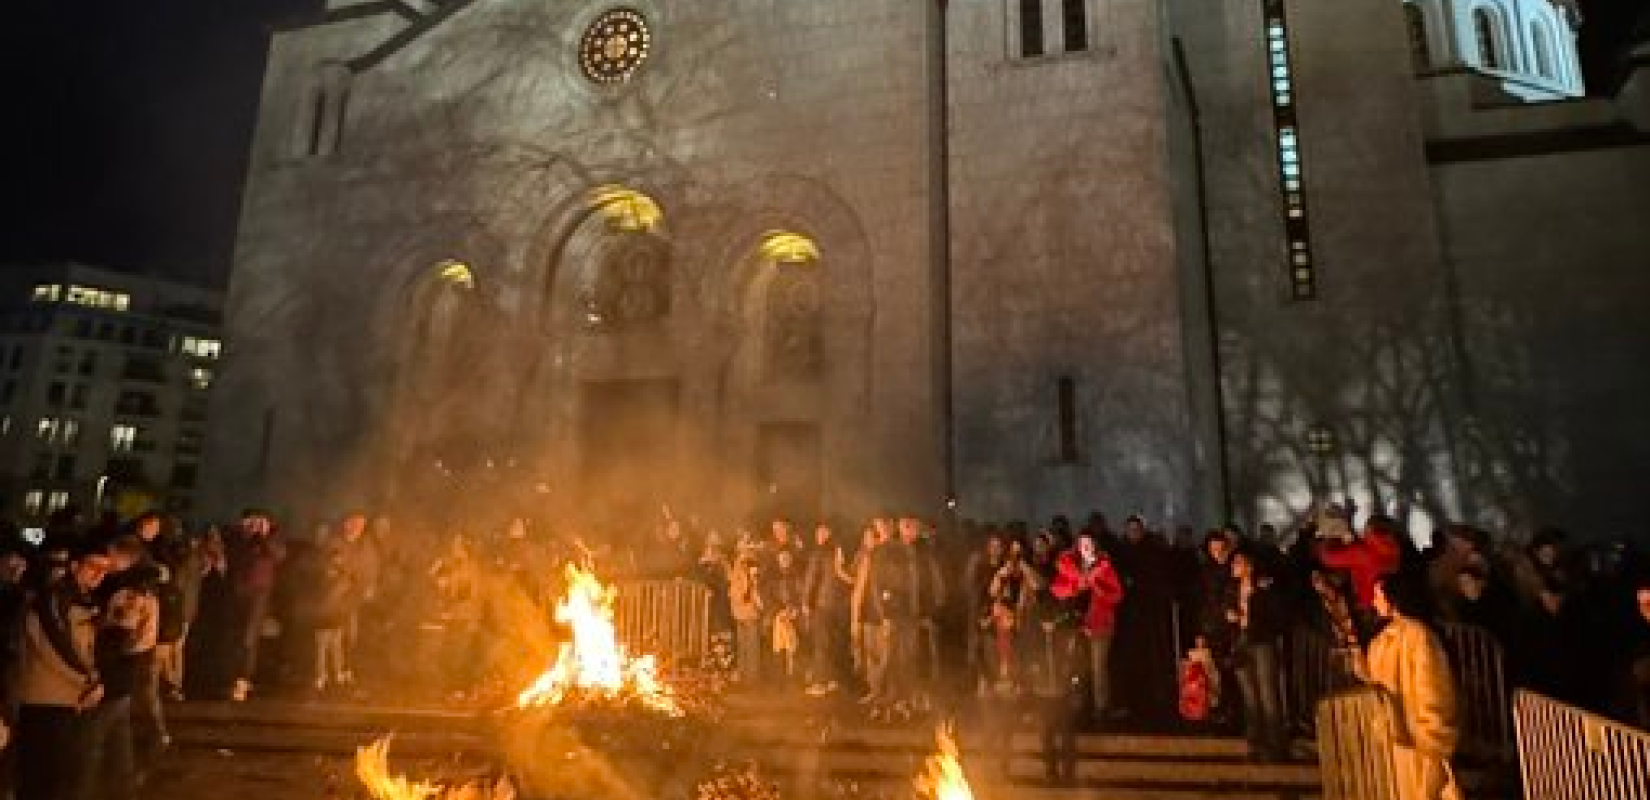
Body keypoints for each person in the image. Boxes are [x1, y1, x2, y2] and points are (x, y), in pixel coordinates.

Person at [16, 541, 109, 800]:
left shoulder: (82, 601)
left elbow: (84, 649)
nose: (100, 574)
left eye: (105, 569)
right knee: (41, 778)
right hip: (46, 699)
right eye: (93, 567)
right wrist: (87, 683)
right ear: (74, 565)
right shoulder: (52, 600)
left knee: (58, 777)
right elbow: (51, 648)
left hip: (68, 701)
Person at [1360, 572, 1462, 800]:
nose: (1374, 601)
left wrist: (1434, 743)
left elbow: (1433, 691)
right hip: (1394, 742)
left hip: (1418, 745)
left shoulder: (1419, 637)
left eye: (1378, 595)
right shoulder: (1381, 641)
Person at [82, 534, 161, 799]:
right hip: (132, 666)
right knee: (118, 734)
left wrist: (97, 630)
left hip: (118, 668)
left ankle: (85, 789)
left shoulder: (128, 591)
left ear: (125, 557)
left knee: (93, 736)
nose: (107, 561)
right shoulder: (144, 585)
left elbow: (120, 634)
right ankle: (124, 788)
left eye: (111, 555)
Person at [1051, 532, 1125, 722]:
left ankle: (1101, 707)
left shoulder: (1104, 568)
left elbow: (1117, 594)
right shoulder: (1070, 567)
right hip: (1075, 624)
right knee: (1076, 666)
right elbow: (1057, 589)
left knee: (1098, 667)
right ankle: (1076, 704)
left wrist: (1098, 589)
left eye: (1089, 543)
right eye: (1082, 543)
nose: (1085, 546)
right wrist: (1075, 587)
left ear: (1095, 546)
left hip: (1100, 624)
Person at [1226, 549, 1290, 761]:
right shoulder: (1231, 589)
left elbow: (1277, 615)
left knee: (1267, 693)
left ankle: (1275, 744)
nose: (1233, 566)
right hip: (1241, 641)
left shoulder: (1264, 588)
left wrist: (1257, 621)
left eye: (1238, 562)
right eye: (1233, 562)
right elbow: (1222, 607)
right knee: (1249, 695)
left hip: (1261, 642)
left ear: (1249, 566)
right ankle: (1255, 742)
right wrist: (1230, 615)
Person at [227, 511, 286, 701]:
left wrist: (262, 538)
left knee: (248, 637)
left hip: (259, 594)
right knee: (235, 635)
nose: (256, 526)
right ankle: (234, 676)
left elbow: (277, 556)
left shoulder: (274, 540)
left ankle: (242, 679)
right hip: (237, 593)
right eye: (252, 522)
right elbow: (232, 558)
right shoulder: (238, 539)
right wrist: (244, 535)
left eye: (261, 522)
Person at [801, 522, 851, 696]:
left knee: (821, 644)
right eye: (818, 532)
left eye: (821, 532)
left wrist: (806, 602)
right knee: (833, 644)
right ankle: (831, 680)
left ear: (827, 533)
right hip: (839, 606)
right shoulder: (840, 550)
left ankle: (820, 683)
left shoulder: (819, 552)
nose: (818, 535)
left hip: (823, 604)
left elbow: (811, 579)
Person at [728, 542, 764, 685]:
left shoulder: (753, 568)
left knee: (751, 646)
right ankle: (744, 675)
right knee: (743, 644)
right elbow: (733, 591)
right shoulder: (738, 570)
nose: (743, 554)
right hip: (740, 612)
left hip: (749, 612)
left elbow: (753, 591)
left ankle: (752, 678)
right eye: (741, 551)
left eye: (745, 551)